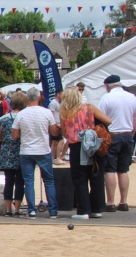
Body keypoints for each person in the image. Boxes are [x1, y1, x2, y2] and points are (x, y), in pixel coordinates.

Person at [61, 87, 112, 220]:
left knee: (79, 179)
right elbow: (108, 121)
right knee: (96, 176)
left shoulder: (64, 113)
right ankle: (96, 208)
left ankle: (83, 210)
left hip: (76, 147)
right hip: (93, 145)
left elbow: (64, 133)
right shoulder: (89, 108)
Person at [12, 88, 59, 219]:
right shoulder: (47, 113)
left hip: (26, 150)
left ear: (27, 98)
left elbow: (14, 135)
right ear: (39, 98)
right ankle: (53, 210)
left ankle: (32, 210)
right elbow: (54, 132)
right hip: (43, 149)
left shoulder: (21, 114)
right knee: (49, 180)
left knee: (29, 181)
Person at [99, 75, 136, 212]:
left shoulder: (106, 98)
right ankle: (124, 201)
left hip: (113, 135)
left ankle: (110, 202)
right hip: (127, 135)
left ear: (108, 86)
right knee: (123, 170)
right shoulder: (132, 97)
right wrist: (132, 133)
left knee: (110, 170)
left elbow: (101, 119)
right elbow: (135, 117)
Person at [0, 92, 26, 216]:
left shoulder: (3, 119)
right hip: (21, 150)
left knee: (8, 181)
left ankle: (8, 209)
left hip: (7, 151)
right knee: (20, 182)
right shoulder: (24, 117)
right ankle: (17, 208)